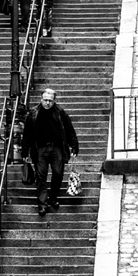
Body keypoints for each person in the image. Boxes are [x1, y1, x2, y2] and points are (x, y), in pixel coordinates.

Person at [21, 87, 79, 217]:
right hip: (40, 148)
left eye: (50, 101)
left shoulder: (60, 113)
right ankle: (42, 204)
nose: (47, 103)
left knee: (58, 173)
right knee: (41, 176)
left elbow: (69, 130)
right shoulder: (33, 113)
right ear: (41, 99)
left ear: (54, 101)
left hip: (56, 148)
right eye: (45, 100)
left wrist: (74, 145)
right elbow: (27, 134)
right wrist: (25, 151)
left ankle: (53, 198)